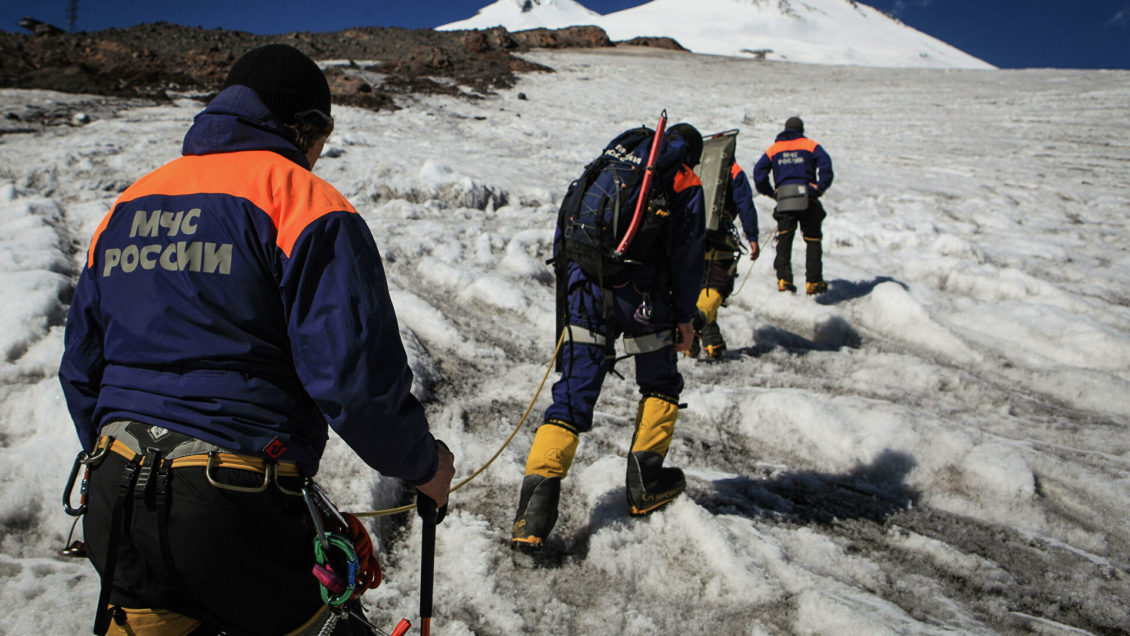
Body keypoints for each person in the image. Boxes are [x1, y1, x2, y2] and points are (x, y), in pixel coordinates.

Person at [58, 44, 455, 635]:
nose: (321, 154)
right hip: (232, 500)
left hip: (116, 491)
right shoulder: (303, 201)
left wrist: (118, 456)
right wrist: (423, 465)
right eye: (323, 134)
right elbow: (352, 374)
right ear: (304, 127)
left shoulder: (130, 204)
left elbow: (81, 368)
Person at [510, 122, 705, 552]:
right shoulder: (684, 177)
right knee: (660, 382)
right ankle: (646, 483)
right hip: (642, 295)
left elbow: (569, 220)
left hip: (585, 283)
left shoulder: (616, 161)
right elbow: (688, 256)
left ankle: (532, 517)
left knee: (572, 395)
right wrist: (686, 317)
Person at [752, 116, 834, 295]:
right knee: (812, 240)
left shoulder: (775, 148)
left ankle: (784, 280)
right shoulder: (810, 145)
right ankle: (813, 281)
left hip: (785, 199)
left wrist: (771, 192)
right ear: (801, 130)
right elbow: (826, 165)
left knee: (785, 238)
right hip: (808, 197)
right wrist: (820, 188)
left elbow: (759, 173)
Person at [690, 158, 760, 359]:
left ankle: (711, 344)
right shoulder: (733, 170)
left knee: (699, 291)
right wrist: (752, 236)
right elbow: (745, 203)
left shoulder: (696, 167)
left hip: (690, 236)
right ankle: (691, 325)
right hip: (720, 238)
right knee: (717, 287)